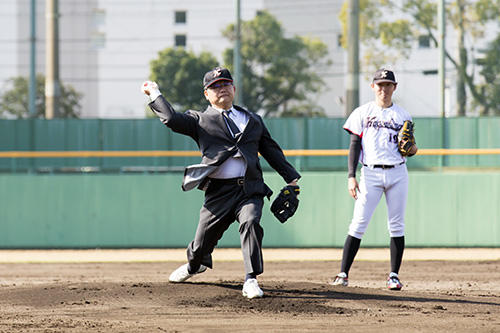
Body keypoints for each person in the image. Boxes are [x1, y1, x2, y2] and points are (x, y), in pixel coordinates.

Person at [141, 67, 300, 299]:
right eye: (214, 86)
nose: (221, 88)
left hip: (249, 189)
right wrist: (154, 93)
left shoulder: (252, 120)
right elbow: (172, 119)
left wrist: (292, 179)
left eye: (225, 84)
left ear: (234, 89)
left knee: (251, 222)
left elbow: (271, 151)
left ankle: (251, 279)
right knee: (201, 245)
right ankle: (195, 266)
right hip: (218, 193)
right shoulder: (200, 120)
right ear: (206, 94)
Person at [331, 68, 417, 290]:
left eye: (388, 85)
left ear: (394, 87)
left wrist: (413, 149)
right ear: (373, 87)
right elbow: (354, 144)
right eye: (380, 85)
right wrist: (351, 176)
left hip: (398, 172)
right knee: (358, 223)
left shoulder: (403, 115)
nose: (384, 89)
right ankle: (343, 273)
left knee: (396, 225)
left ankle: (394, 276)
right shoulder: (362, 112)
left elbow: (411, 147)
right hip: (370, 173)